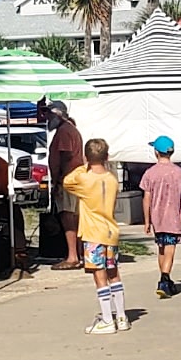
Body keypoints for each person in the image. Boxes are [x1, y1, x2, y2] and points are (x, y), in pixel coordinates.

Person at [64, 138, 128, 334]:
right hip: (110, 230)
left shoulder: (84, 178)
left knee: (98, 274)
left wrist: (84, 166)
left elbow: (67, 182)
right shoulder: (111, 179)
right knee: (113, 272)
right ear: (107, 157)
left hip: (93, 232)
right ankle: (121, 316)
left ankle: (107, 319)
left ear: (86, 157)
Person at [138, 136, 181, 298]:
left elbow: (146, 198)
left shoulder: (150, 173)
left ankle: (165, 278)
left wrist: (147, 220)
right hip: (174, 219)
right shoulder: (179, 172)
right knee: (170, 249)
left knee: (161, 248)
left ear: (156, 152)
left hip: (157, 219)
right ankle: (164, 278)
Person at [44, 98, 85, 270]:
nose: (46, 117)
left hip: (68, 180)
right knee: (73, 217)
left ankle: (73, 256)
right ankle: (79, 254)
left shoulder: (65, 131)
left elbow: (66, 156)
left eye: (48, 113)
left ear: (57, 114)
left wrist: (59, 180)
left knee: (68, 217)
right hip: (72, 179)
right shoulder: (69, 129)